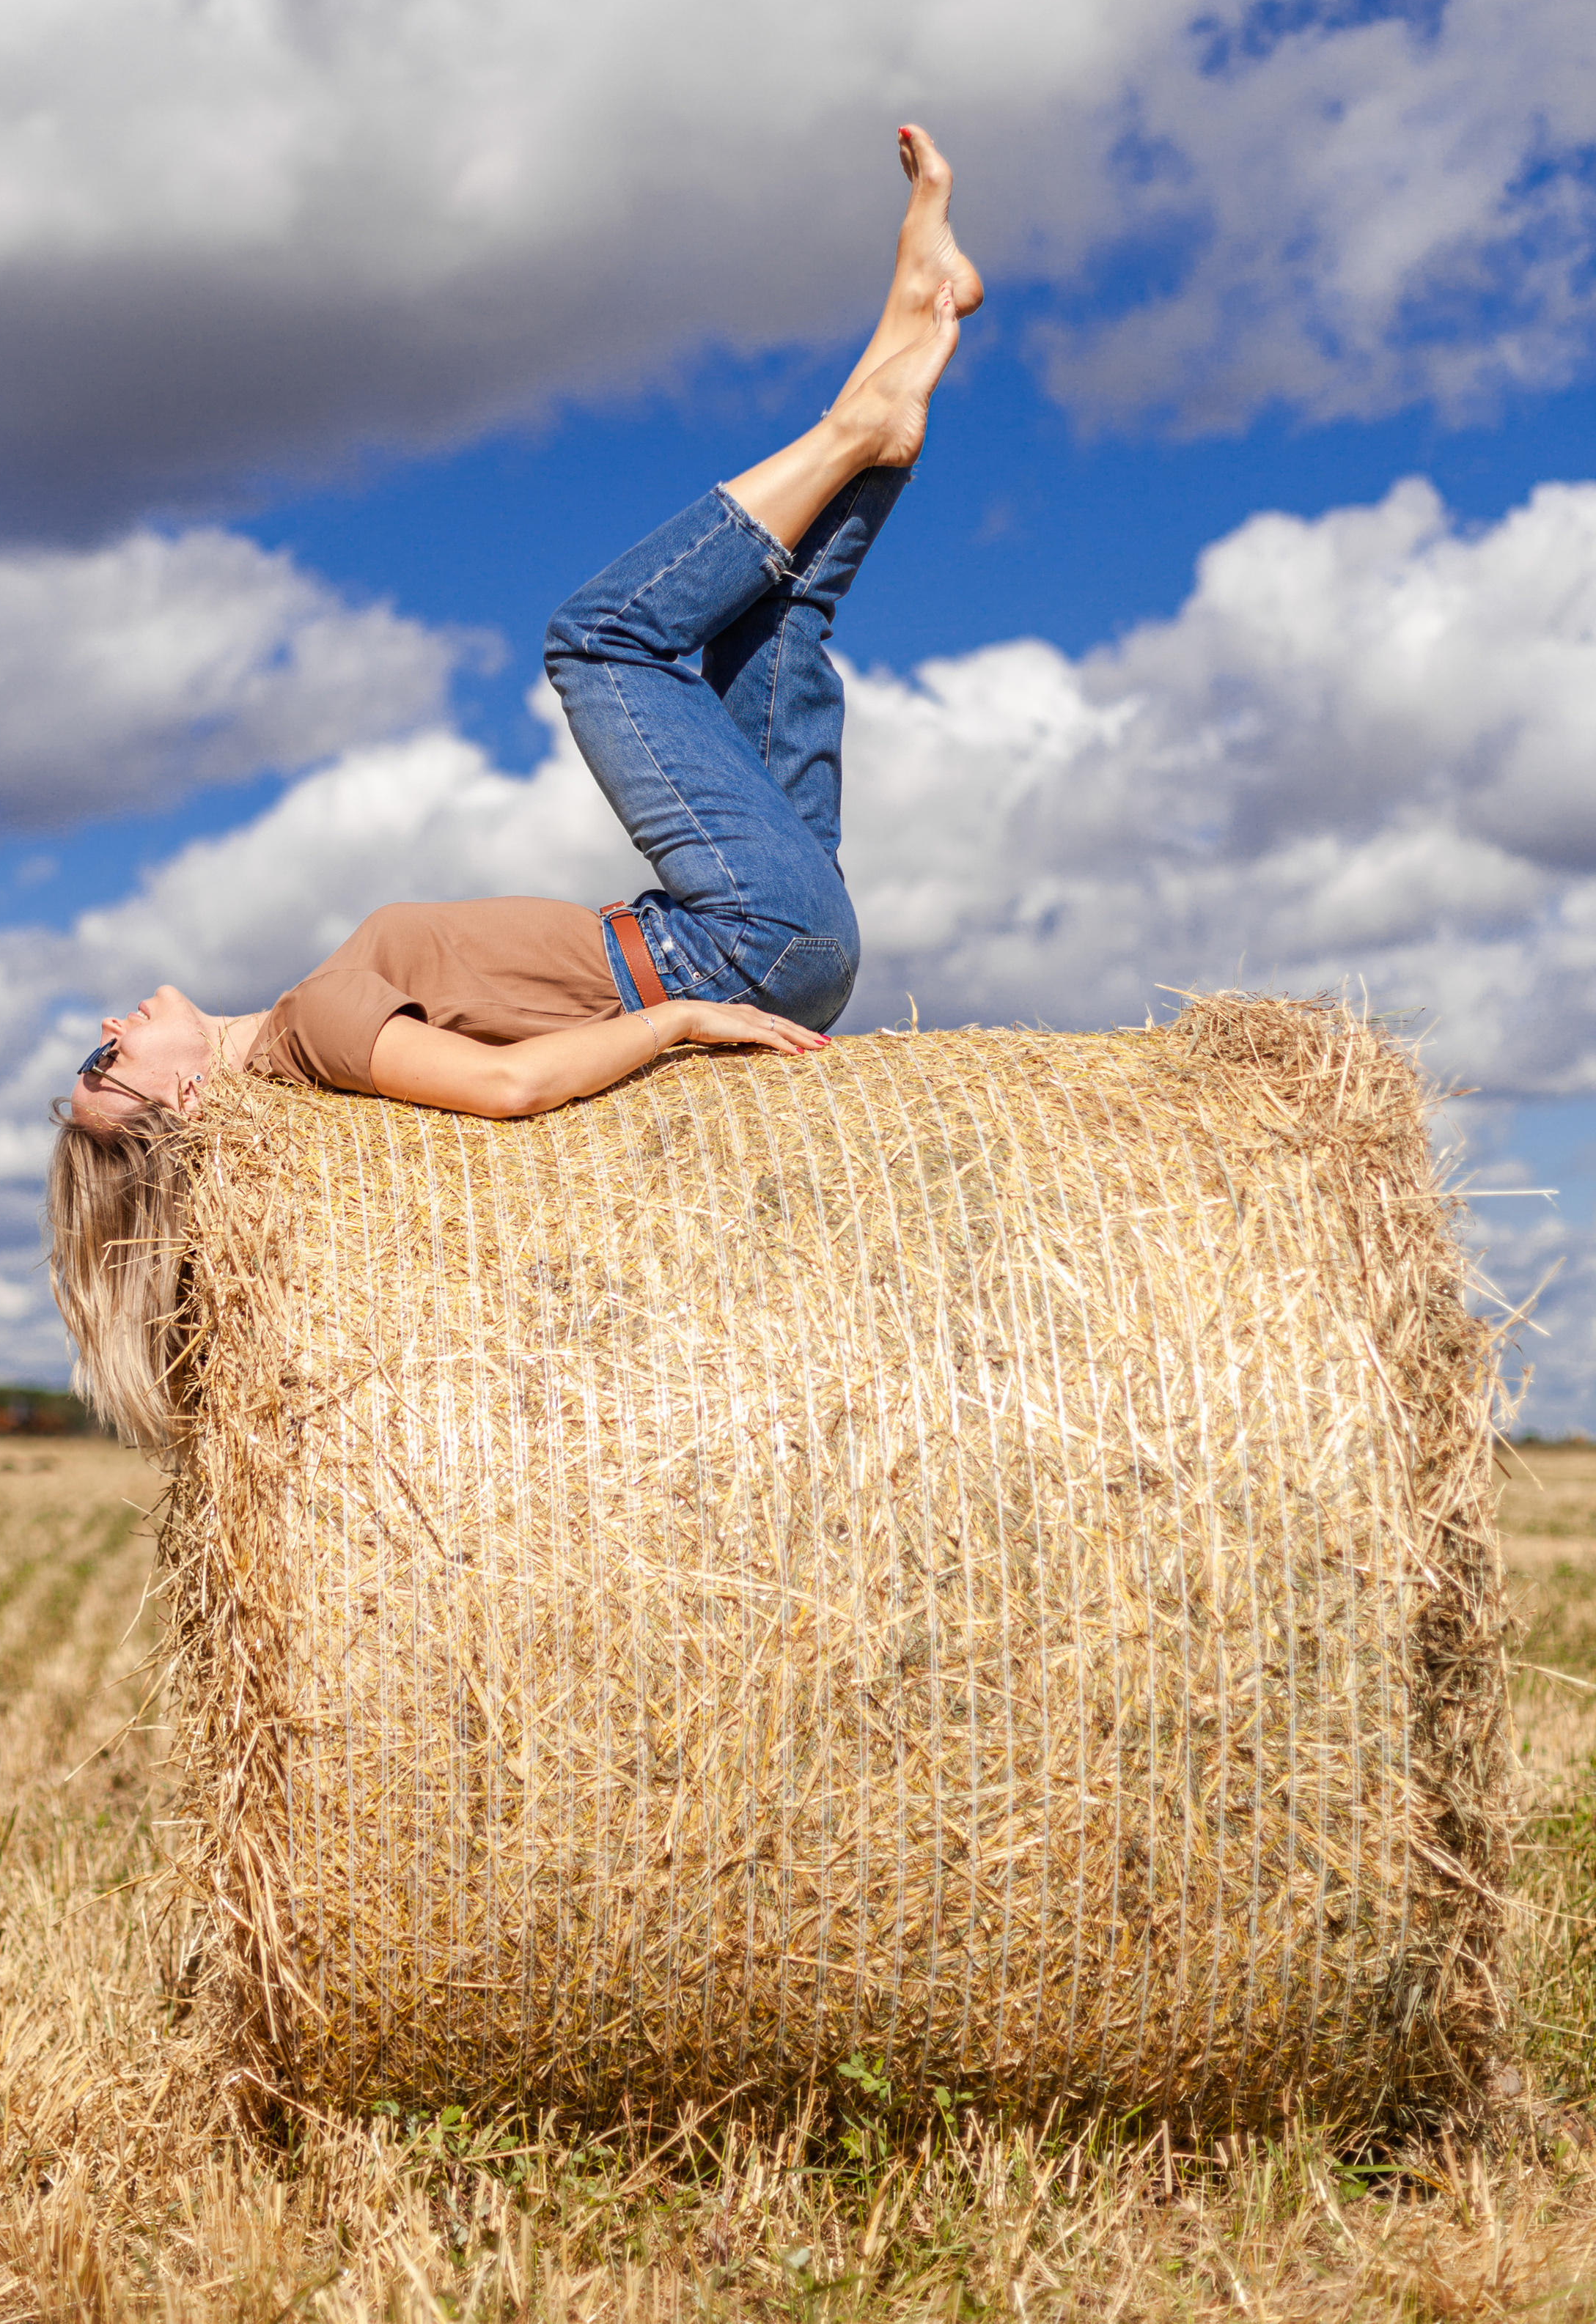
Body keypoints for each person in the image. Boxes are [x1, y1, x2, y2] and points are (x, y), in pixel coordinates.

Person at [48, 125, 982, 1443]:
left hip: (756, 937)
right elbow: (508, 1090)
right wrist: (680, 1021)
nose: (111, 1019)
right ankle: (859, 416)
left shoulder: (318, 1027)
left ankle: (913, 322)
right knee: (599, 641)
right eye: (108, 1058)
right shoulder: (317, 1034)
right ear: (182, 1100)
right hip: (728, 945)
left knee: (775, 628)